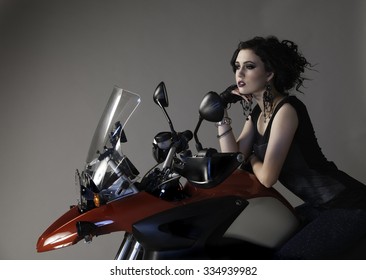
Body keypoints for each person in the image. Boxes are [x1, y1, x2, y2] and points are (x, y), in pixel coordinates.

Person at [216, 35, 366, 259]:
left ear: (269, 74)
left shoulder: (286, 110)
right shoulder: (257, 113)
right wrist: (221, 113)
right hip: (318, 205)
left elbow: (267, 177)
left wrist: (250, 159)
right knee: (265, 247)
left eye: (249, 66)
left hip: (347, 204)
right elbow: (232, 160)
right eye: (237, 66)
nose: (240, 73)